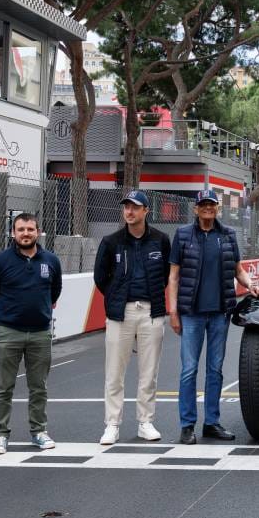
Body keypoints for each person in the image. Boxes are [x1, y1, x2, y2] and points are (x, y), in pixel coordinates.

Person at [168, 189, 259, 444]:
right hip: (191, 315)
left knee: (215, 370)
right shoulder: (183, 235)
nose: (208, 208)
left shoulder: (229, 235)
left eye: (212, 204)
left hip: (220, 314)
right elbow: (174, 276)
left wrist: (251, 285)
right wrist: (173, 310)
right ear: (196, 209)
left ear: (217, 209)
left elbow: (238, 270)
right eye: (203, 205)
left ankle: (212, 422)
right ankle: (187, 425)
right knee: (189, 370)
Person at [94, 190, 172, 445]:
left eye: (135, 207)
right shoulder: (111, 241)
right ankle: (112, 424)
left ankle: (145, 422)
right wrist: (117, 296)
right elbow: (100, 277)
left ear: (146, 211)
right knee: (114, 372)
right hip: (120, 313)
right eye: (126, 207)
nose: (129, 211)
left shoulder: (161, 240)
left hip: (152, 311)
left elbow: (165, 274)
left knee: (149, 373)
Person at [0, 213, 62, 455]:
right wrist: (5, 315)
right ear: (13, 233)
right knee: (3, 387)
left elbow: (55, 292)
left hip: (40, 334)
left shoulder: (52, 261)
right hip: (8, 333)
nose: (25, 233)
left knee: (39, 387)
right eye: (20, 229)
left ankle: (38, 431)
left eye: (30, 229)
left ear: (38, 232)